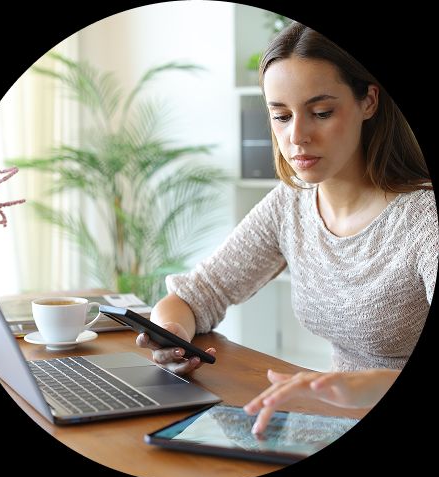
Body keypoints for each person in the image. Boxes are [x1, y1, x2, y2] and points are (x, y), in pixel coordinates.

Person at [136, 21, 437, 433]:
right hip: (331, 418)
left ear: (369, 101)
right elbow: (197, 294)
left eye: (321, 113)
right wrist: (170, 333)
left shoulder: (424, 218)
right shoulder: (291, 203)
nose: (297, 136)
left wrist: (359, 387)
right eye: (280, 116)